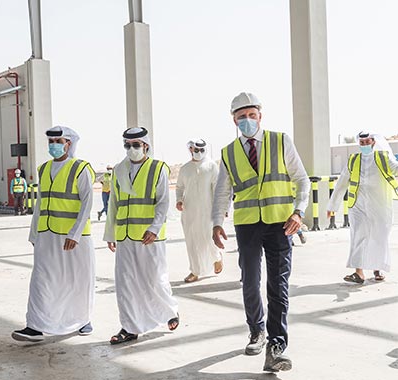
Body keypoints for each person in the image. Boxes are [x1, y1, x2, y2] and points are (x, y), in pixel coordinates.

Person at [212, 92, 310, 372]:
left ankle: (276, 345)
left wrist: (298, 211)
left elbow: (301, 179)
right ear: (233, 120)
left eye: (251, 115)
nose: (247, 120)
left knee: (278, 285)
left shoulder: (281, 141)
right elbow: (223, 190)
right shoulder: (228, 152)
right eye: (241, 117)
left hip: (281, 223)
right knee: (250, 280)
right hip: (247, 225)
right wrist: (216, 222)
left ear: (260, 116)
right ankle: (256, 329)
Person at [12, 126, 95, 342]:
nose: (53, 145)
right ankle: (35, 326)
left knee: (77, 280)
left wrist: (75, 233)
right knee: (41, 279)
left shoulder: (81, 168)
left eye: (58, 141)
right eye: (51, 141)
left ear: (69, 143)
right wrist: (33, 233)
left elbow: (87, 203)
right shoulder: (44, 168)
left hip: (74, 238)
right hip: (47, 234)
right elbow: (40, 204)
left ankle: (83, 319)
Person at [104, 127, 179, 345]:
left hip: (149, 237)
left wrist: (154, 228)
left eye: (136, 145)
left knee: (154, 279)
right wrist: (111, 233)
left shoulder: (158, 169)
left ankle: (170, 311)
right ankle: (129, 327)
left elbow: (163, 201)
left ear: (146, 145)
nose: (131, 149)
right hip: (125, 236)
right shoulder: (118, 169)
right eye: (127, 145)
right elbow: (113, 204)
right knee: (125, 283)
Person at [327, 131, 398, 283]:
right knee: (357, 235)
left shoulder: (383, 157)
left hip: (379, 204)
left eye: (367, 142)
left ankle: (377, 268)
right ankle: (358, 273)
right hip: (357, 205)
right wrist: (332, 205)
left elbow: (396, 169)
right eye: (362, 142)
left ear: (373, 142)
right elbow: (341, 183)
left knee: (378, 236)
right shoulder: (353, 160)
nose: (364, 145)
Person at [176, 138, 223, 283]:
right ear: (191, 150)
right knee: (191, 240)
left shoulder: (211, 166)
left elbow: (217, 187)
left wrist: (220, 208)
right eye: (196, 150)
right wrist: (179, 200)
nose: (199, 152)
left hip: (208, 209)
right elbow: (179, 187)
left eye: (202, 150)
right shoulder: (185, 168)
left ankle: (216, 257)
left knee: (209, 237)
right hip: (189, 210)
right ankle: (195, 271)